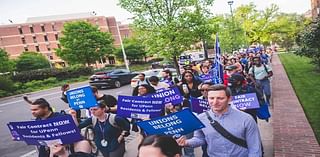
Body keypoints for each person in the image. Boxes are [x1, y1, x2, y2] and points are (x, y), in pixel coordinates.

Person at [177, 84, 262, 157]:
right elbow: (200, 139)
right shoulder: (201, 118)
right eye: (211, 98)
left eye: (220, 98)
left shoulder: (246, 119)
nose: (215, 102)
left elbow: (255, 148)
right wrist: (186, 142)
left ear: (229, 99)